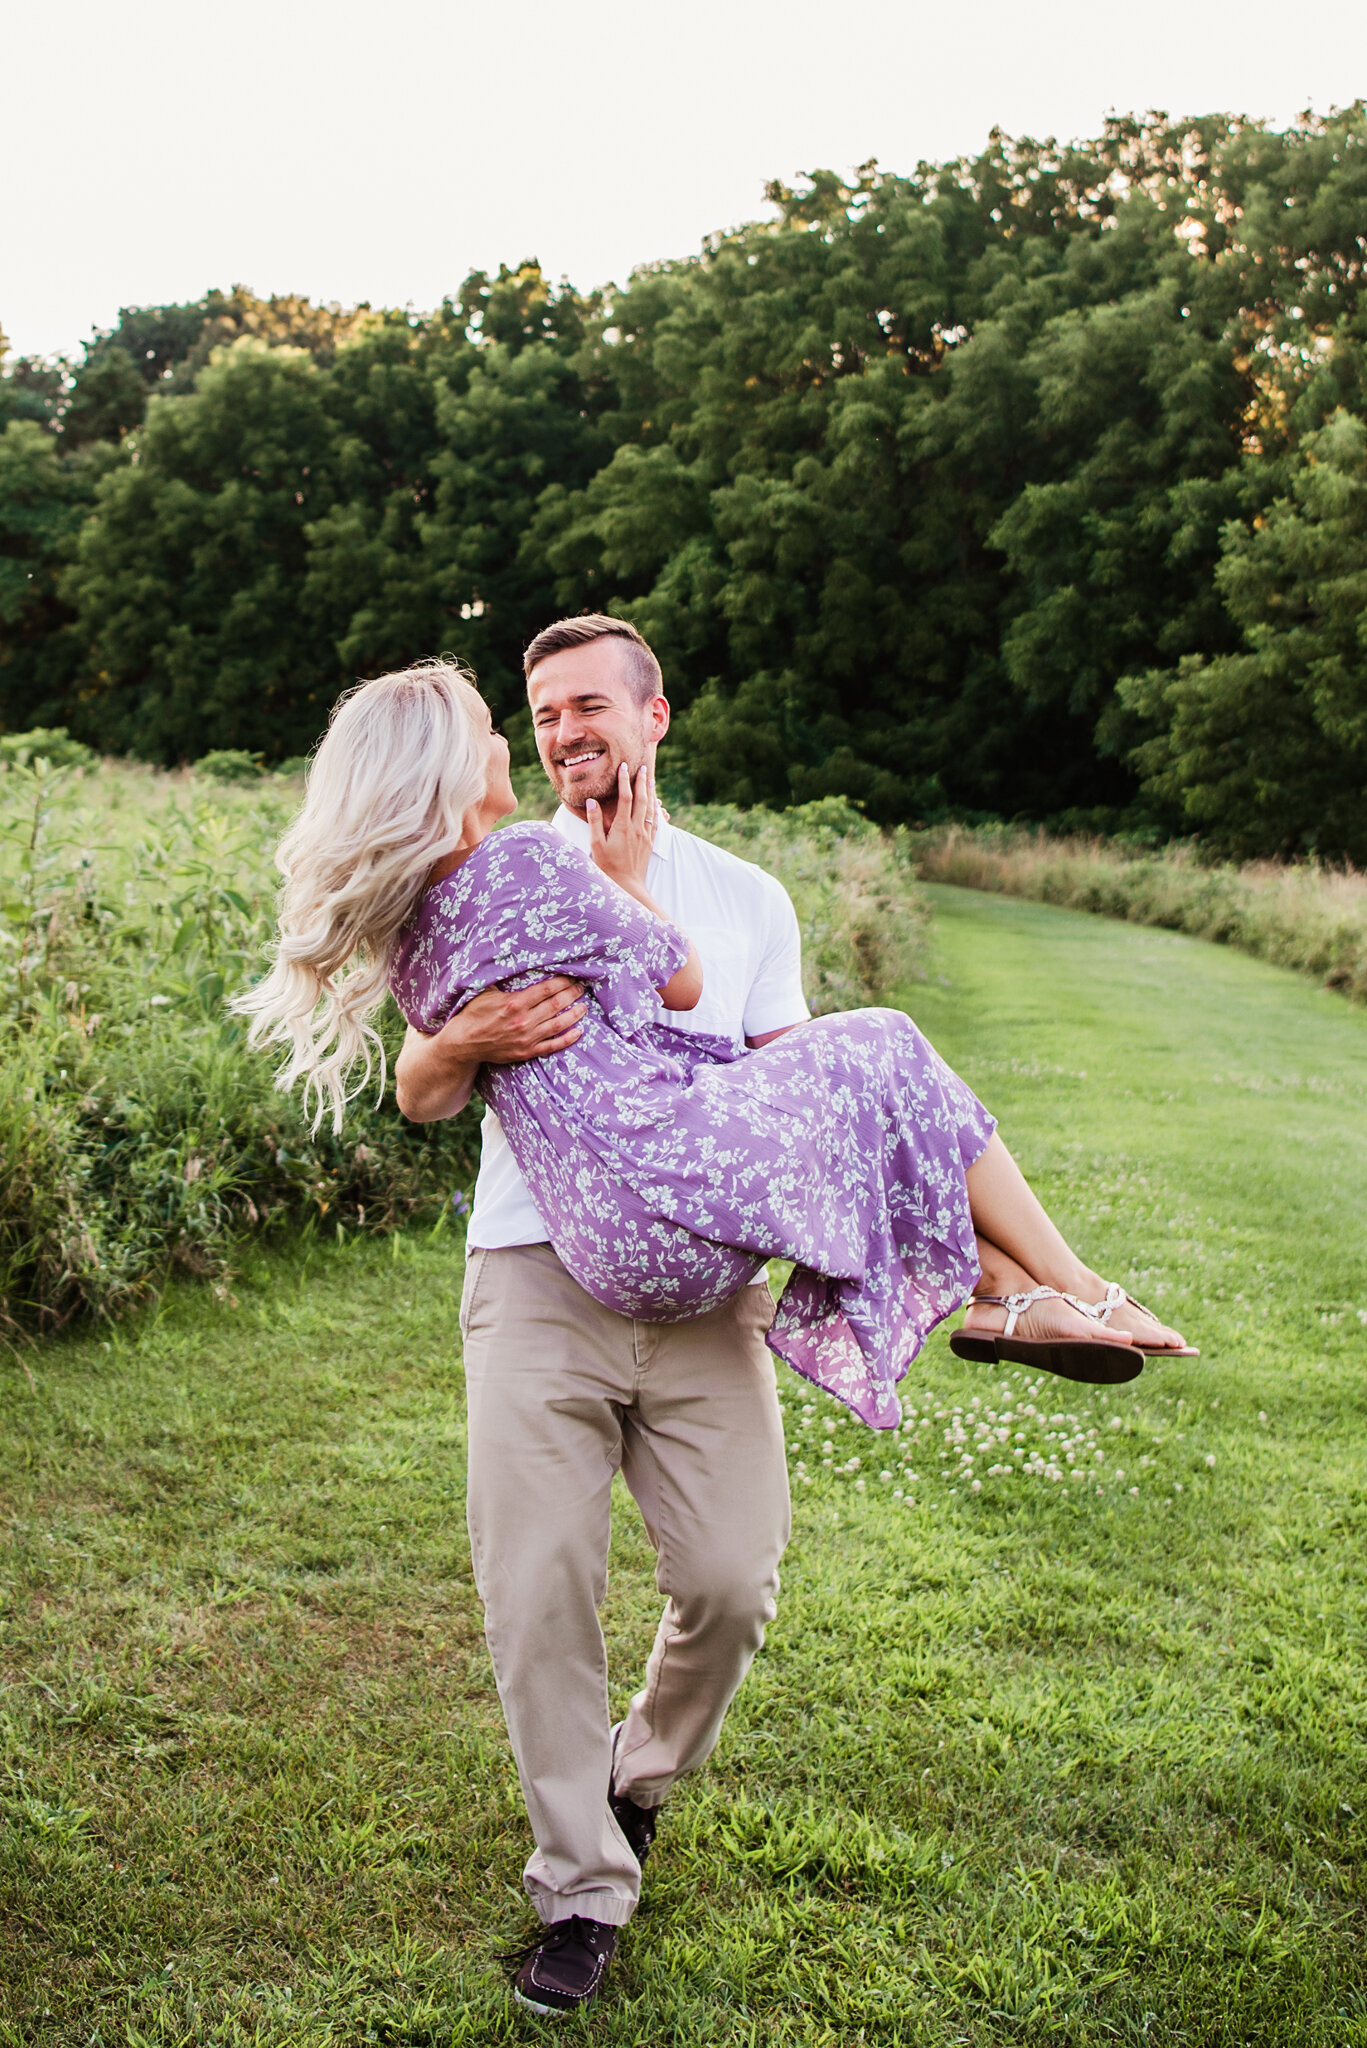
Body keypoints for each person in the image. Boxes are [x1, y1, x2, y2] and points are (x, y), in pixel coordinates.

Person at [236, 625, 1192, 2016]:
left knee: (734, 1585)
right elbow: (426, 1090)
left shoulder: (747, 898)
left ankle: (635, 1779)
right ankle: (579, 1887)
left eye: (583, 708)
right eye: (536, 714)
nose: (559, 734)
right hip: (535, 1280)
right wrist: (470, 1036)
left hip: (699, 1292)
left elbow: (751, 1078)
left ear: (653, 716)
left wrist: (641, 918)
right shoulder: (505, 868)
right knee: (539, 1592)